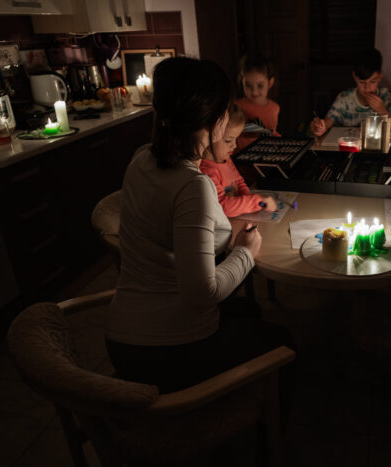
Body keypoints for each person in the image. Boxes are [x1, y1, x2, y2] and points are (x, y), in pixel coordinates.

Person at [105, 57, 295, 398]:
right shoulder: (194, 185)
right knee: (285, 341)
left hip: (121, 334)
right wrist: (245, 253)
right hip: (166, 349)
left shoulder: (141, 158)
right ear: (215, 121)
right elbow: (201, 295)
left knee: (249, 311)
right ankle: (250, 423)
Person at [201, 104, 278, 217]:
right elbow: (222, 207)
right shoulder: (206, 171)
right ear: (209, 137)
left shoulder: (227, 159)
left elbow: (239, 182)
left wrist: (248, 197)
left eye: (236, 139)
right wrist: (256, 200)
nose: (235, 145)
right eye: (228, 140)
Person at [311, 48, 391, 136]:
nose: (367, 88)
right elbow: (328, 121)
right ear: (355, 77)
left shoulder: (389, 97)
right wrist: (321, 127)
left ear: (380, 76)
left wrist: (383, 111)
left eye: (373, 81)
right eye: (362, 82)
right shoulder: (344, 99)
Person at [235, 54, 280, 150]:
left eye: (260, 85)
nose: (254, 92)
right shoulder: (237, 106)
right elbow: (231, 130)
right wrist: (253, 128)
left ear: (270, 83)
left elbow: (272, 132)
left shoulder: (274, 108)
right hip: (243, 155)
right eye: (248, 85)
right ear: (242, 82)